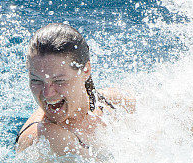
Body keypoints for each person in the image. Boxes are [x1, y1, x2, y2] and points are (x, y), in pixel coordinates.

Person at [16, 23, 134, 155]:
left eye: (59, 81)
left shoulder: (111, 102)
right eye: (37, 81)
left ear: (86, 70)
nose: (47, 93)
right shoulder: (48, 138)